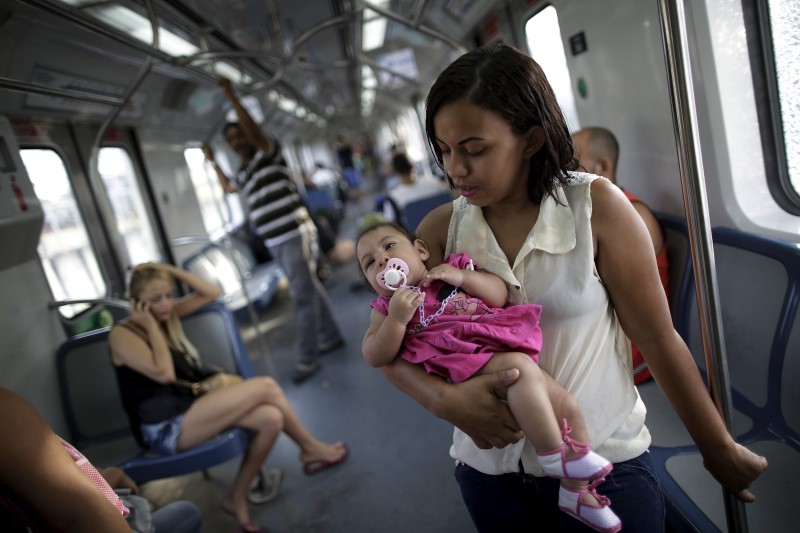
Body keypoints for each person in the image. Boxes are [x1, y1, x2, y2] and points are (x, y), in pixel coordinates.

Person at [377, 43, 767, 532]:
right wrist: (442, 401)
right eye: (445, 151)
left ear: (532, 139)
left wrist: (717, 447)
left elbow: (658, 338)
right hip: (492, 472)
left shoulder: (597, 209)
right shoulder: (439, 232)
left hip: (605, 466)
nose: (455, 169)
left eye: (474, 149)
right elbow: (388, 337)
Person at [358, 222, 621, 532]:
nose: (383, 260)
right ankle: (553, 457)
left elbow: (497, 295)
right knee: (520, 371)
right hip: (460, 360)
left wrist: (464, 277)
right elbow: (375, 353)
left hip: (492, 342)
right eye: (370, 262)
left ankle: (577, 493)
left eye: (389, 247)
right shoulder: (386, 309)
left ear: (420, 251)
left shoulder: (448, 272)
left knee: (567, 406)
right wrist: (397, 321)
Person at [108, 262, 349, 533]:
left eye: (168, 295)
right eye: (155, 299)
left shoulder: (166, 314)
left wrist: (166, 269)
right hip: (164, 427)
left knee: (271, 418)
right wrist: (150, 325)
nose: (165, 304)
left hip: (188, 410)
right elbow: (163, 374)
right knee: (267, 387)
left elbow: (212, 292)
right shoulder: (123, 334)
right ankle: (310, 449)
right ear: (137, 304)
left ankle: (236, 498)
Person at [202, 78, 345, 383]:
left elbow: (254, 131)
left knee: (301, 295)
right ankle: (331, 335)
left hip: (294, 233)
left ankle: (308, 358)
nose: (237, 143)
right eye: (231, 141)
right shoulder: (244, 170)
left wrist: (231, 96)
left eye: (238, 136)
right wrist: (214, 162)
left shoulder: (269, 151)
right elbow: (229, 188)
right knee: (308, 287)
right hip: (274, 240)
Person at [0, 387, 202, 533]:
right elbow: (81, 513)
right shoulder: (7, 413)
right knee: (187, 513)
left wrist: (108, 477)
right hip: (160, 431)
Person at [572, 126, 669, 384]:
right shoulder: (586, 213)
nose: (562, 174)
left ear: (602, 167)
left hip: (635, 359)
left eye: (571, 164)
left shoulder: (633, 217)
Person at [381, 153, 450, 225]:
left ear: (395, 172)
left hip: (415, 235)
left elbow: (391, 224)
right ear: (412, 165)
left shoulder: (393, 198)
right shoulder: (434, 183)